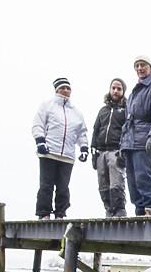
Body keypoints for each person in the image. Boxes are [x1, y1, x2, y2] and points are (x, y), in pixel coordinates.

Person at [31, 77, 89, 219]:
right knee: (46, 185)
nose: (65, 90)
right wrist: (40, 141)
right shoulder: (47, 105)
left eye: (68, 88)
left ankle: (61, 213)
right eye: (62, 88)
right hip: (49, 152)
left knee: (63, 187)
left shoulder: (76, 112)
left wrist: (84, 148)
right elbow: (38, 124)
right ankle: (44, 213)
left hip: (67, 156)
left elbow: (81, 132)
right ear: (56, 89)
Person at [120, 56, 151, 216]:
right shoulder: (135, 90)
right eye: (137, 66)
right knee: (132, 179)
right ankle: (139, 210)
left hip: (145, 137)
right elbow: (127, 119)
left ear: (150, 67)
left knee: (145, 175)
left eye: (143, 65)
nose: (140, 68)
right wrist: (123, 144)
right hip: (130, 139)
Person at [90, 78, 128, 217]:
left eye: (119, 89)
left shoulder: (125, 110)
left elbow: (127, 131)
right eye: (113, 88)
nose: (116, 91)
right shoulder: (103, 111)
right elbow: (96, 130)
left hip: (115, 151)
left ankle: (119, 210)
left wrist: (124, 151)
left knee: (116, 182)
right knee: (103, 183)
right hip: (101, 151)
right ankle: (108, 209)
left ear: (123, 91)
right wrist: (93, 150)